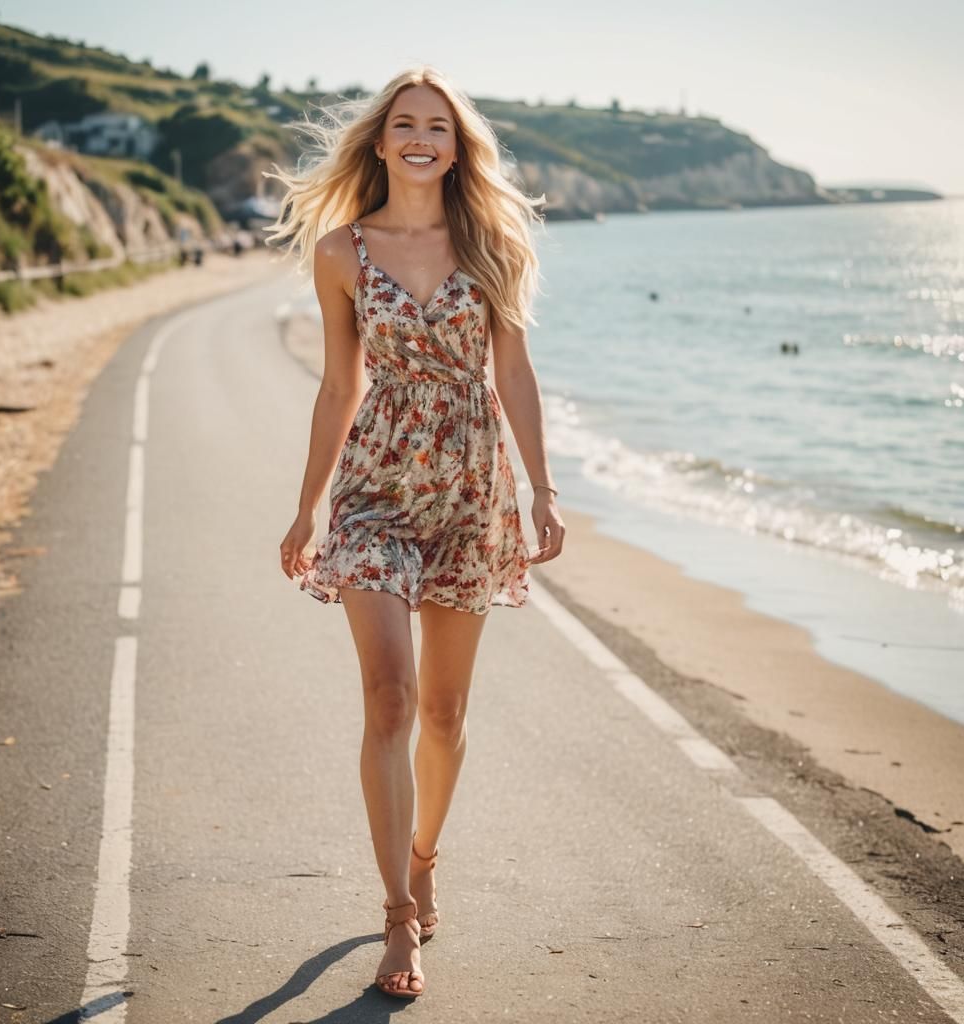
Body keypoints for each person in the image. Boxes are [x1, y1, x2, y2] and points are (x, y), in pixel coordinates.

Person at [271, 65, 565, 999]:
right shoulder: (342, 253)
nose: (420, 138)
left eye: (438, 125)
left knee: (443, 712)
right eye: (405, 123)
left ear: (457, 144)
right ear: (381, 139)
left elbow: (514, 374)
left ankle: (426, 852)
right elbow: (337, 386)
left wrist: (541, 490)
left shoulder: (492, 245)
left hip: (470, 487)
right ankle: (398, 918)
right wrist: (309, 503)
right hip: (375, 487)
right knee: (391, 698)